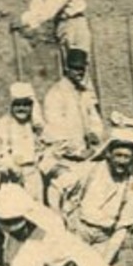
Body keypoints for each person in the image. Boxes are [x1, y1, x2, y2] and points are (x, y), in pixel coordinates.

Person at [62, 117, 133, 266]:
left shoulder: (132, 185)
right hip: (79, 230)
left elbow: (122, 227)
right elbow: (58, 188)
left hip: (105, 237)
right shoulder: (90, 169)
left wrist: (105, 261)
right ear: (109, 154)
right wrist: (61, 218)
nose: (121, 161)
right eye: (118, 155)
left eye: (126, 157)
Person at [38, 48, 103, 213]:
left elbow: (94, 118)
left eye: (82, 68)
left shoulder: (84, 93)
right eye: (75, 68)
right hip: (62, 157)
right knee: (64, 198)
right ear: (66, 68)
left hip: (85, 154)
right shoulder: (55, 94)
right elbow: (56, 131)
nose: (79, 72)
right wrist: (77, 151)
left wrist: (95, 133)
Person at [0, 81, 44, 201]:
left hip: (33, 180)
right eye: (17, 104)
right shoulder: (0, 126)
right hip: (10, 181)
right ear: (11, 105)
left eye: (25, 104)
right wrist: (9, 165)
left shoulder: (36, 127)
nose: (21, 108)